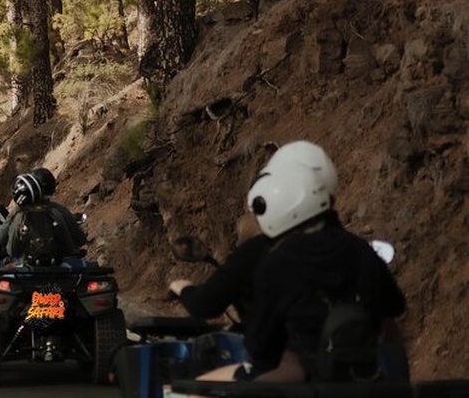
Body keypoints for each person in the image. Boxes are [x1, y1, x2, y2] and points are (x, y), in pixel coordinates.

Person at [195, 159, 405, 385]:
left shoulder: (274, 263)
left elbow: (260, 347)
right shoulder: (360, 249)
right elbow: (395, 306)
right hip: (363, 378)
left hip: (302, 379)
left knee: (193, 389)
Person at [168, 140, 339, 327]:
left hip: (282, 354)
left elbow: (206, 305)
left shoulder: (260, 252)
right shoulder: (357, 248)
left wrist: (183, 288)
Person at [0, 167, 86, 263]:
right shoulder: (58, 210)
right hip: (59, 265)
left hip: (28, 267)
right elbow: (78, 241)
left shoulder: (18, 214)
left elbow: (8, 247)